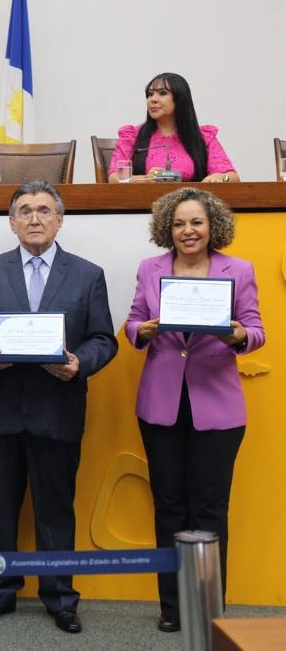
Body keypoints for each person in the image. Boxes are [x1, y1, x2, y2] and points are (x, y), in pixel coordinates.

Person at [0, 180, 118, 635]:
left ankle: (61, 598)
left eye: (44, 210)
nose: (34, 218)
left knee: (55, 510)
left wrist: (79, 364)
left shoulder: (88, 274)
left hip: (58, 408)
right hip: (0, 411)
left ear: (60, 219)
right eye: (25, 210)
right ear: (11, 222)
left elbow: (103, 339)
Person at [125, 187, 263, 633]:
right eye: (180, 223)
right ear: (168, 227)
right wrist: (140, 331)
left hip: (217, 409)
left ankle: (206, 608)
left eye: (196, 222)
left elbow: (256, 330)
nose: (188, 230)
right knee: (167, 504)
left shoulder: (238, 269)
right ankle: (171, 607)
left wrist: (237, 336)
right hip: (160, 404)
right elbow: (131, 323)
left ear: (212, 227)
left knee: (209, 508)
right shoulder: (150, 269)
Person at [110, 73, 238, 183]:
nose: (152, 99)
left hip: (192, 205)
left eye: (162, 93)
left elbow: (233, 177)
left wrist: (221, 177)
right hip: (145, 206)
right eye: (150, 94)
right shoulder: (132, 135)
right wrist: (145, 179)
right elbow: (115, 177)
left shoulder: (203, 137)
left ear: (180, 99)